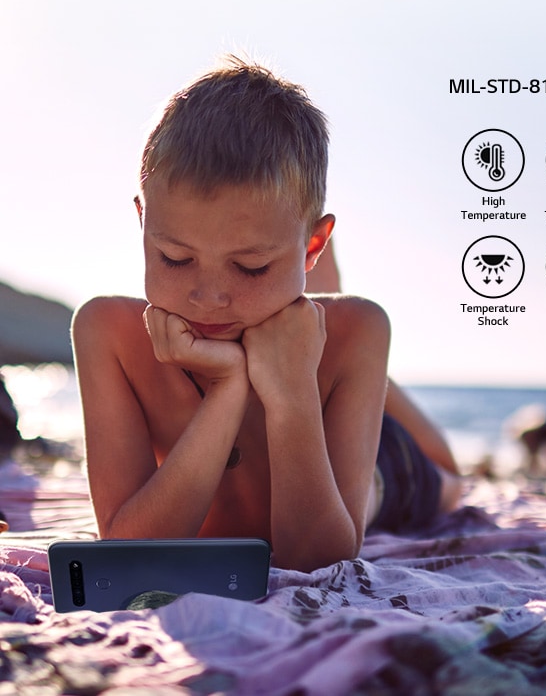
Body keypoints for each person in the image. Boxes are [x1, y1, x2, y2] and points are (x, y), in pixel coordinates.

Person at [72, 56, 461, 571]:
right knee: (323, 323)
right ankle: (298, 287)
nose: (209, 298)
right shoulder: (108, 333)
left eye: (250, 266)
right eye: (175, 258)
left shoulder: (361, 329)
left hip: (372, 464)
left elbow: (317, 559)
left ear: (314, 243)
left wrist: (295, 389)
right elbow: (129, 553)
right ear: (143, 222)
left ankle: (322, 306)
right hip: (309, 350)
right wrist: (228, 388)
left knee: (452, 479)